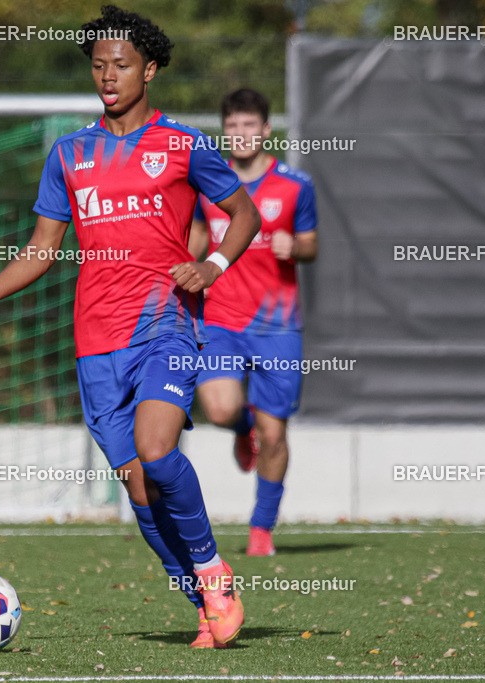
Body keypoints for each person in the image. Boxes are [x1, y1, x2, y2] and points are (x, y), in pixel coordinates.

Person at [0, 6, 261, 648]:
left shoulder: (184, 146)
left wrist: (212, 264)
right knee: (141, 494)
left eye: (120, 65)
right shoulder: (70, 154)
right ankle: (204, 604)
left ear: (149, 69)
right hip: (95, 342)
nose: (108, 76)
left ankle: (213, 570)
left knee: (156, 448)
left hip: (163, 325)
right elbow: (42, 247)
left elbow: (245, 214)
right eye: (98, 65)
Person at [189, 88, 319, 557]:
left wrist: (294, 245)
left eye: (249, 126)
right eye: (232, 126)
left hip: (276, 326)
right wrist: (188, 270)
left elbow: (311, 244)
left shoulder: (294, 185)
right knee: (221, 409)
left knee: (275, 433)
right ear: (224, 131)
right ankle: (242, 429)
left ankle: (261, 530)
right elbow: (198, 237)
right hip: (220, 318)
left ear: (266, 130)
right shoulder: (211, 181)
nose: (240, 134)